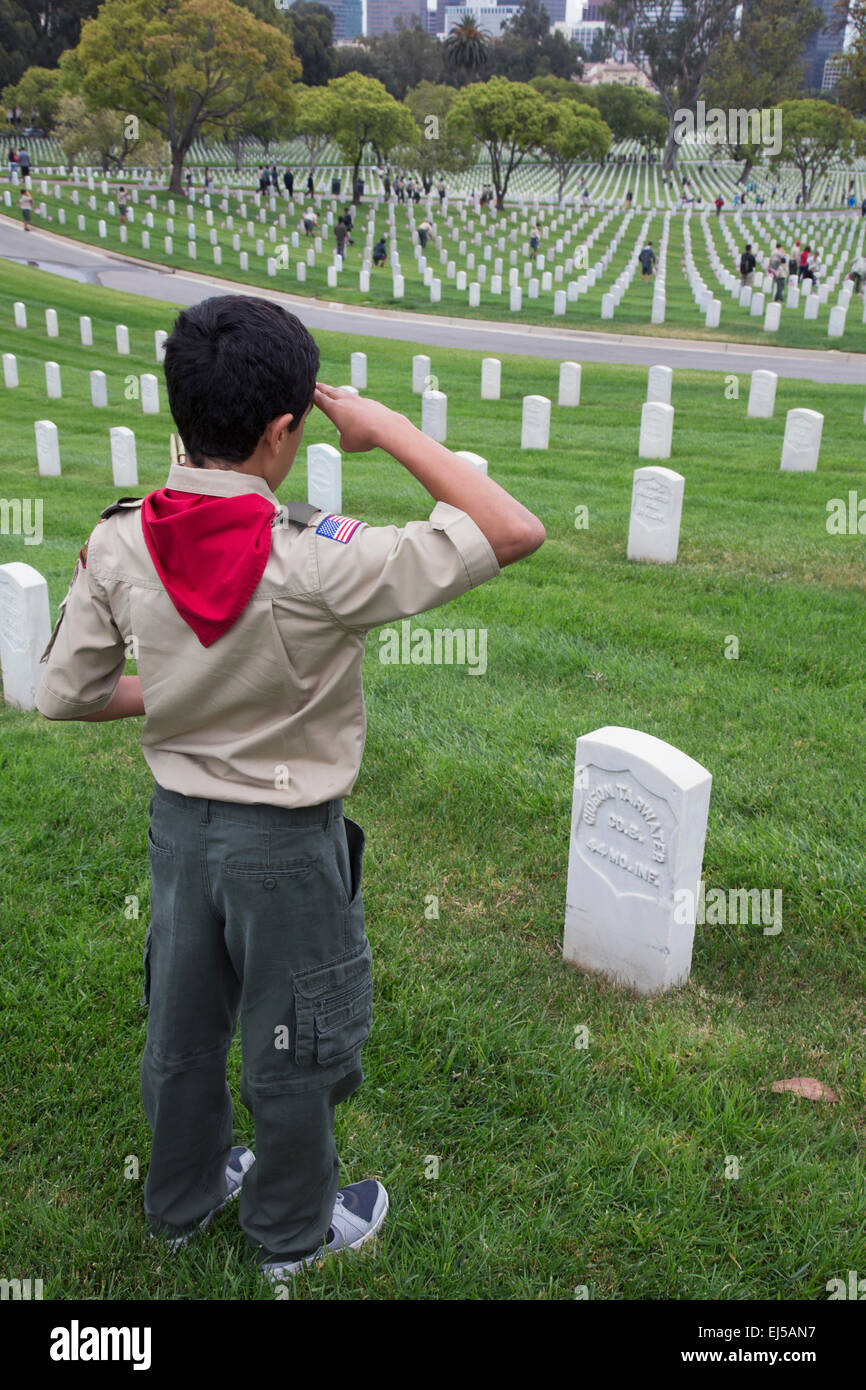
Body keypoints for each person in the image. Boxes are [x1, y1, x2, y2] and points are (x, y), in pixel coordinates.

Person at [32, 292, 544, 1281]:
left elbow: (68, 694)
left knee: (180, 1028)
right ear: (282, 430)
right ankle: (289, 1232)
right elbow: (510, 528)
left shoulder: (119, 541)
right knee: (296, 1039)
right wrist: (384, 424)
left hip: (180, 835)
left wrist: (182, 691)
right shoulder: (321, 560)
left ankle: (178, 1202)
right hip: (288, 850)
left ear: (175, 412)